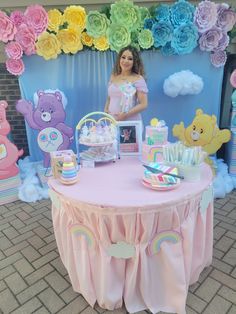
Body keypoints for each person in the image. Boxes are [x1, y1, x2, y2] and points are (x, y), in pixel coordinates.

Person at [104, 45, 148, 121]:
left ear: (134, 62)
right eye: (123, 57)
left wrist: (126, 115)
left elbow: (143, 104)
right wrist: (106, 110)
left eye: (130, 59)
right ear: (119, 59)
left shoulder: (138, 79)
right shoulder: (113, 76)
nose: (125, 61)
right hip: (112, 122)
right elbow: (109, 97)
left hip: (130, 122)